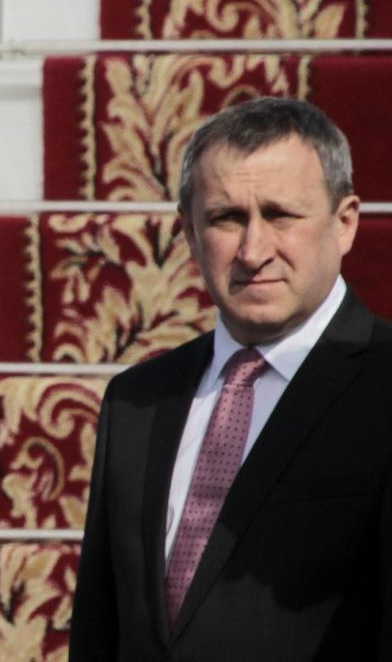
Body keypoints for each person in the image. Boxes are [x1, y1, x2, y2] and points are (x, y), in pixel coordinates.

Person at [68, 97, 392, 660]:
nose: (253, 250)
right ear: (190, 234)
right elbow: (103, 627)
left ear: (344, 224)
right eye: (226, 218)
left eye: (280, 215)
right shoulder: (137, 401)